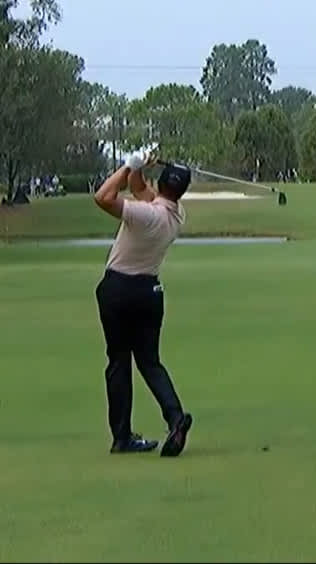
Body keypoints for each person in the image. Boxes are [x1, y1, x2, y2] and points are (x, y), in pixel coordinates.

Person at [90, 150, 195, 456]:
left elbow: (103, 197)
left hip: (119, 290)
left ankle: (122, 437)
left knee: (119, 362)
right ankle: (175, 417)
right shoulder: (175, 214)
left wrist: (127, 165)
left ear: (161, 183)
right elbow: (138, 189)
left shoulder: (145, 215)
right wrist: (139, 167)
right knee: (149, 362)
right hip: (150, 292)